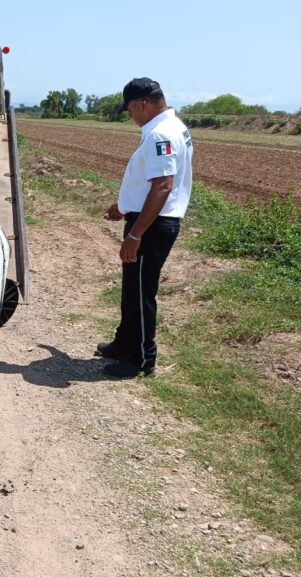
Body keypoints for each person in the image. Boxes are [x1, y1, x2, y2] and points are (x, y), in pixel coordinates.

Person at [98, 77, 193, 378]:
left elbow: (163, 186)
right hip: (148, 218)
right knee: (132, 289)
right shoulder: (171, 127)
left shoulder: (159, 134)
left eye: (130, 110)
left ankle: (141, 359)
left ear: (142, 104)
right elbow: (151, 183)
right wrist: (124, 205)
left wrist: (136, 234)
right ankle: (124, 343)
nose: (131, 117)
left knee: (141, 293)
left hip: (152, 226)